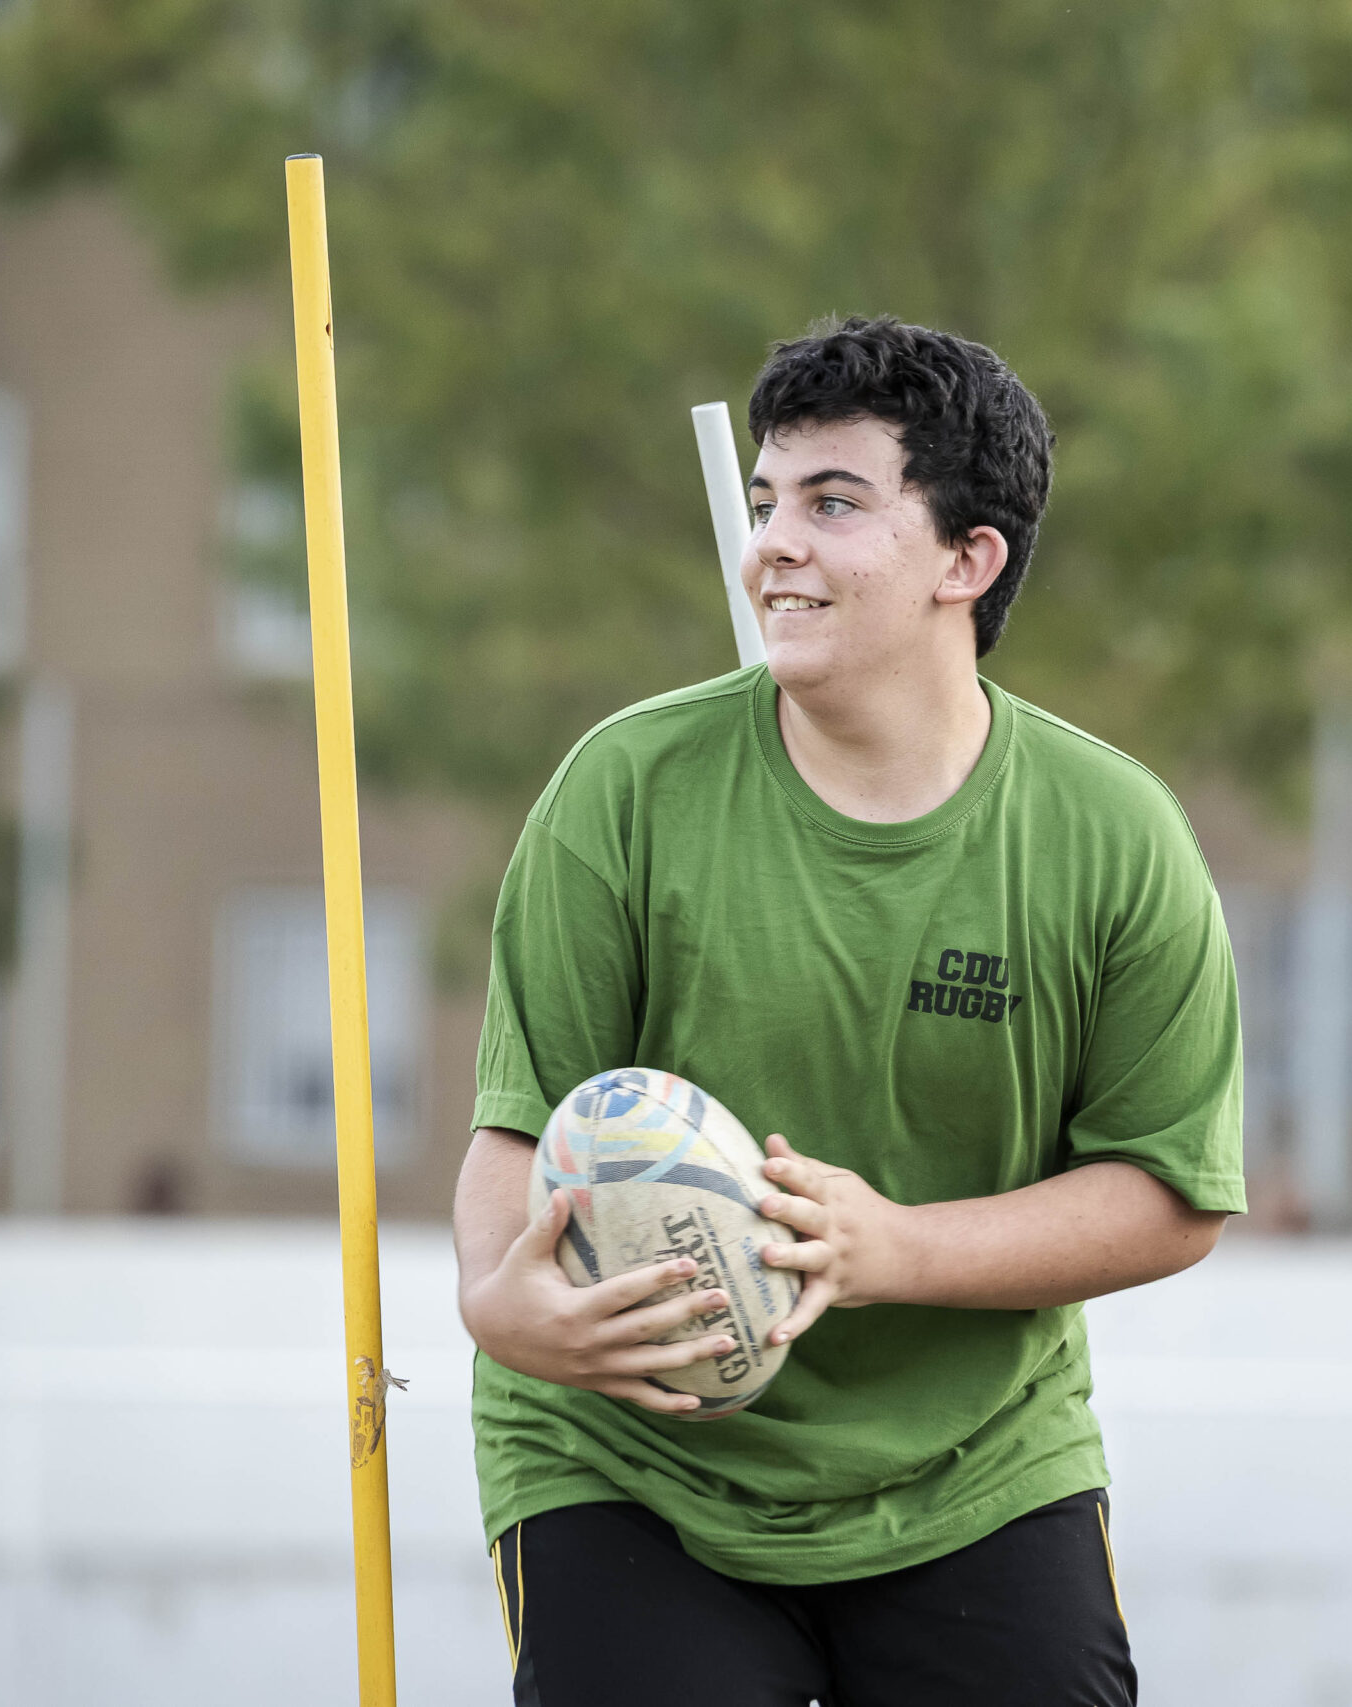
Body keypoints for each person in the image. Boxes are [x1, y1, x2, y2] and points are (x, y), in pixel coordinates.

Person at [451, 317, 1245, 1705]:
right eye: (765, 503)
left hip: (973, 1466)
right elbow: (515, 1137)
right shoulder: (622, 790)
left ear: (967, 557)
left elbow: (1173, 1193)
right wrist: (504, 1304)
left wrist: (892, 1248)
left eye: (833, 503)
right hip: (633, 1463)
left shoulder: (1114, 838)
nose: (774, 543)